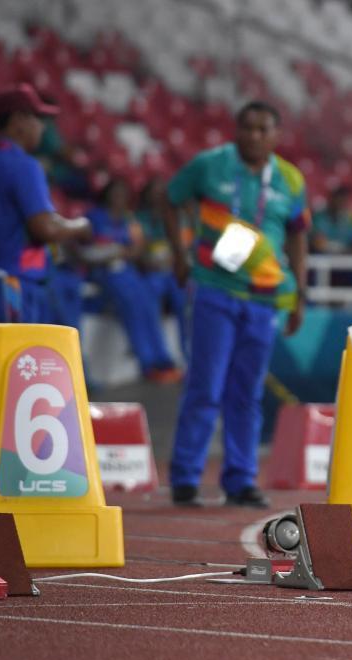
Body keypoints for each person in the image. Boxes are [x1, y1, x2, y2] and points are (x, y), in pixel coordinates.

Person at [163, 100, 310, 508]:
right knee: (205, 385)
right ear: (236, 130)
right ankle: (185, 478)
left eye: (264, 129)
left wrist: (300, 293)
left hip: (264, 299)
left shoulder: (290, 180)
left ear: (276, 135)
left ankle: (241, 480)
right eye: (247, 127)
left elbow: (298, 236)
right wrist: (178, 252)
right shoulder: (209, 165)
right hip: (214, 289)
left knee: (246, 391)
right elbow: (169, 197)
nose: (254, 136)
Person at [0, 84, 91, 326]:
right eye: (38, 118)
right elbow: (45, 229)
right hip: (10, 284)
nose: (43, 127)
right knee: (19, 361)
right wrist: (81, 227)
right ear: (19, 120)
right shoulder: (24, 165)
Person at [84, 178, 181, 383]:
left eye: (123, 195)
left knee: (146, 298)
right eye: (116, 193)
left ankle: (162, 358)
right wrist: (116, 251)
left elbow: (138, 248)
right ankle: (147, 361)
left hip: (128, 271)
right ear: (107, 194)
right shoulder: (95, 217)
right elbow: (86, 251)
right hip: (104, 274)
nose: (120, 198)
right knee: (132, 301)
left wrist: (122, 251)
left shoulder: (129, 220)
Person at [136, 178, 189, 357]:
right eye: (154, 193)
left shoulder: (178, 218)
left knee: (185, 299)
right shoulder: (138, 219)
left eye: (162, 193)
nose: (158, 197)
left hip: (174, 271)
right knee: (146, 298)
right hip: (150, 273)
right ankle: (158, 356)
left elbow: (187, 246)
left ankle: (188, 355)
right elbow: (134, 248)